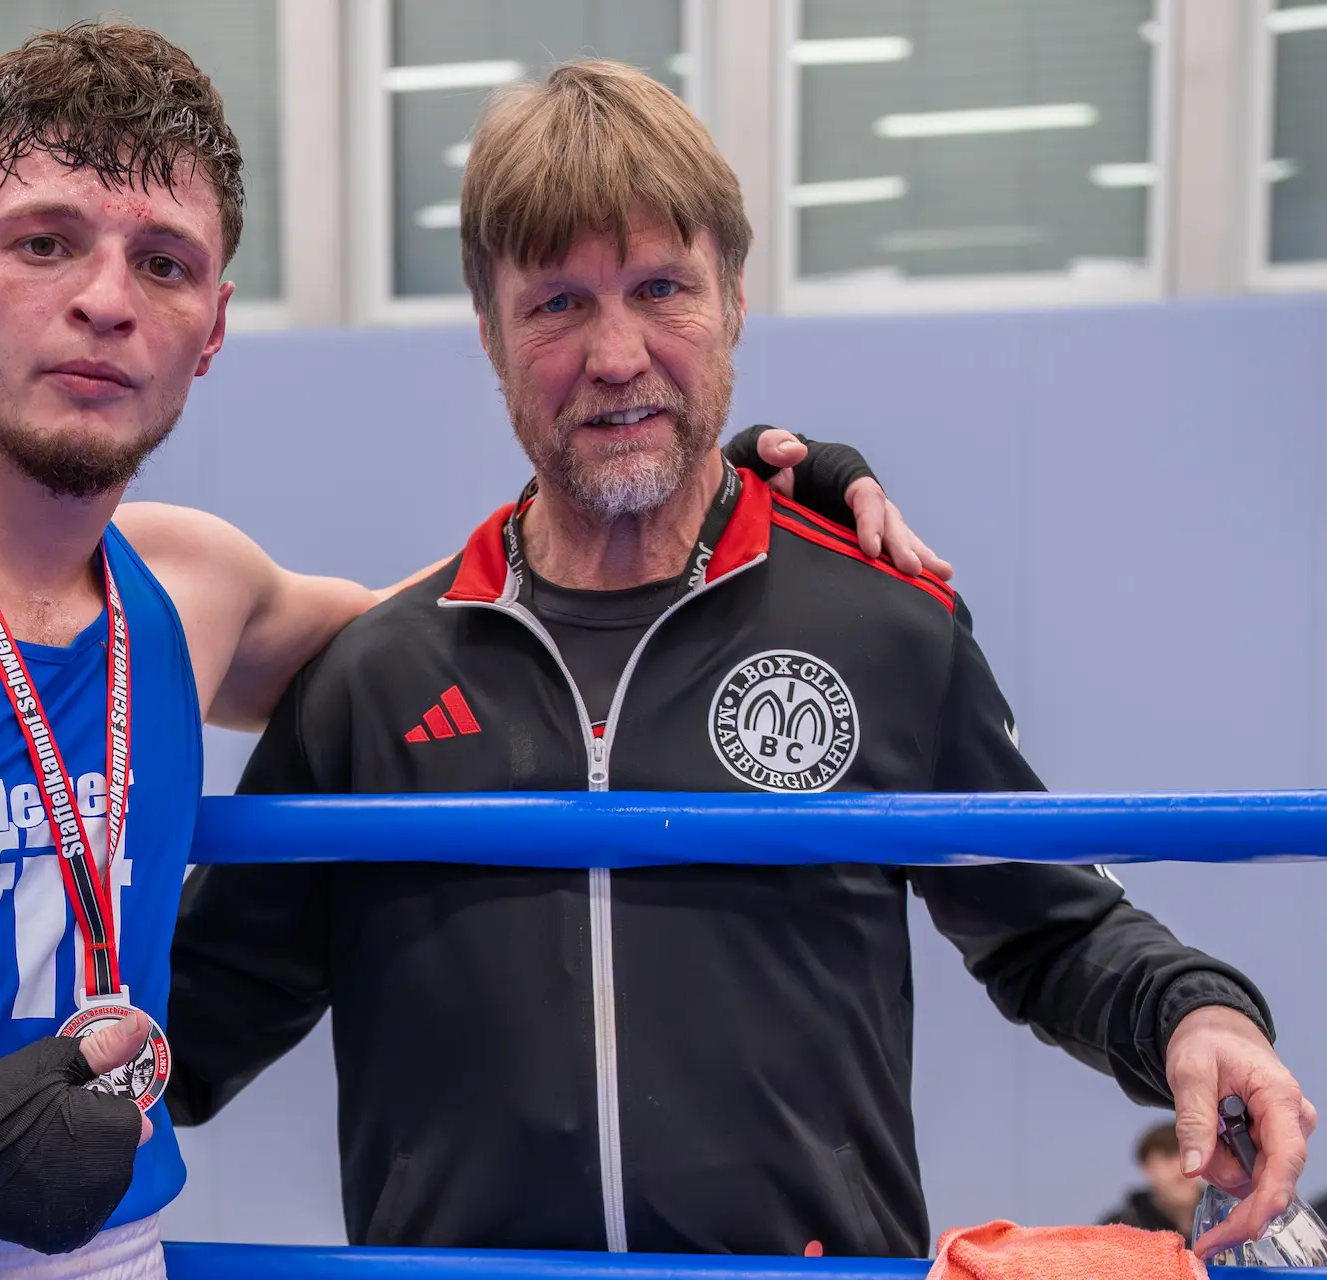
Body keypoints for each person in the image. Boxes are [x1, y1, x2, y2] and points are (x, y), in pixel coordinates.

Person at [0, 25, 918, 1280]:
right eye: (46, 242)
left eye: (164, 261)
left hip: (117, 1256)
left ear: (212, 329)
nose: (105, 299)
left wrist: (736, 493)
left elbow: (511, 617)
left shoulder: (194, 593)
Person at [163, 59, 1315, 1264]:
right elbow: (188, 1022)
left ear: (734, 300)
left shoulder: (879, 628)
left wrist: (1197, 1012)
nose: (617, 354)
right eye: (557, 303)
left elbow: (1054, 923)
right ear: (493, 335)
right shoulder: (377, 681)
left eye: (662, 287)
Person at [1101, 1124, 1203, 1243]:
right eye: (1168, 1157)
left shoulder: (1226, 1217)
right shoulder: (1116, 1229)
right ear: (1147, 1168)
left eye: (1190, 1156)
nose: (1182, 1167)